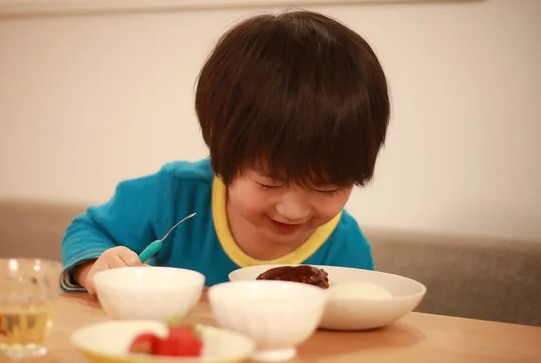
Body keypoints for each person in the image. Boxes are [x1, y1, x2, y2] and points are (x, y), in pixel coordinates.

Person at [60, 10, 390, 294]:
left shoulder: (345, 246)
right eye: (269, 182)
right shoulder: (176, 194)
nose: (292, 210)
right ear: (221, 151)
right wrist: (95, 267)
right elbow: (88, 230)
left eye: (327, 187)